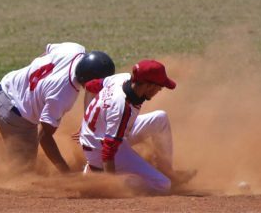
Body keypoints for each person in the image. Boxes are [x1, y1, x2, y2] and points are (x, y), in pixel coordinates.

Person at [0, 42, 115, 173]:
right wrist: (65, 171)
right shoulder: (63, 95)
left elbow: (44, 53)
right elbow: (44, 137)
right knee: (22, 172)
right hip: (15, 119)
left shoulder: (74, 49)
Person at [79, 59, 196, 194]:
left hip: (105, 133)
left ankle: (168, 171)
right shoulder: (121, 108)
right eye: (159, 86)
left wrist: (87, 121)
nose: (160, 89)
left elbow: (90, 85)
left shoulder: (123, 78)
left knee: (160, 119)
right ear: (148, 86)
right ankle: (96, 175)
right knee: (162, 184)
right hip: (99, 148)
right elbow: (108, 151)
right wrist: (110, 185)